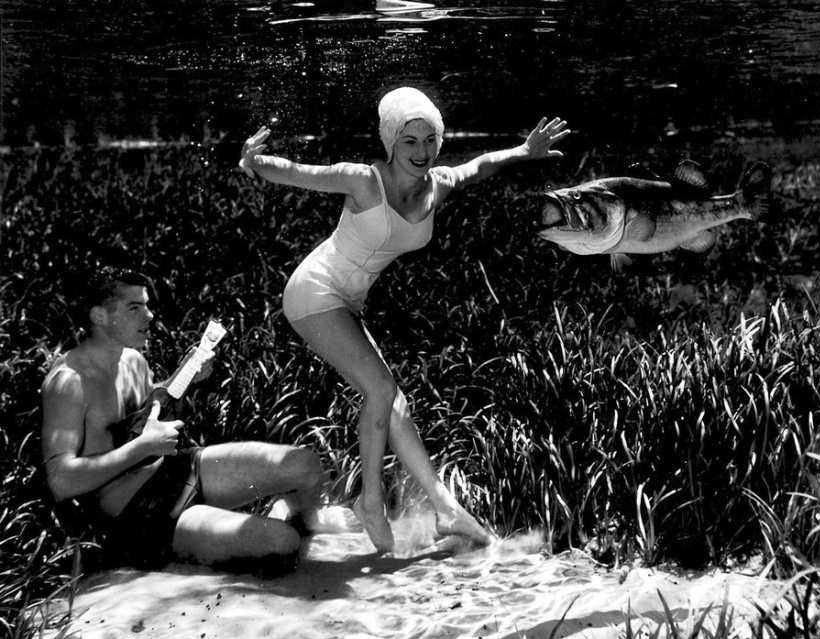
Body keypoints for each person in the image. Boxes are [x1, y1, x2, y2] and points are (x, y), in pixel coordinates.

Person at [239, 86, 570, 553]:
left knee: (394, 406)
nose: (421, 151)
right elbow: (298, 173)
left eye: (429, 139)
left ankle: (445, 508)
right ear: (390, 142)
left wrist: (523, 150)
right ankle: (369, 501)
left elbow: (480, 167)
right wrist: (254, 161)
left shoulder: (439, 183)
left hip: (347, 300)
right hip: (314, 289)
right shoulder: (363, 180)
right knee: (381, 390)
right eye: (409, 141)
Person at [41, 266, 358, 570]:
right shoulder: (69, 382)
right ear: (100, 316)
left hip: (177, 471)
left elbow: (143, 407)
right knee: (281, 542)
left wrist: (184, 376)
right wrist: (141, 449)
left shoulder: (132, 360)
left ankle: (296, 518)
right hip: (141, 516)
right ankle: (218, 537)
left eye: (147, 306)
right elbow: (60, 481)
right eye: (134, 308)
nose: (149, 316)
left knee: (304, 464)